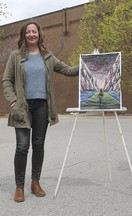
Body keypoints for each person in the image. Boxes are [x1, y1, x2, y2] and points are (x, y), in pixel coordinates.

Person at [1, 21, 79, 202]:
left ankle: (35, 182)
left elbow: (67, 70)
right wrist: (13, 101)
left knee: (38, 145)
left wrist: (86, 64)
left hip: (42, 107)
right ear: (24, 35)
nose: (31, 34)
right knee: (22, 147)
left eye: (33, 31)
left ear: (39, 34)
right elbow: (6, 81)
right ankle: (19, 186)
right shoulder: (15, 56)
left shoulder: (48, 57)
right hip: (22, 107)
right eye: (27, 32)